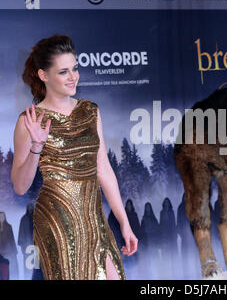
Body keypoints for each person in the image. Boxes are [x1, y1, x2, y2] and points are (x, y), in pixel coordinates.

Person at [11, 35, 137, 280]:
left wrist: (124, 222)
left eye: (75, 68)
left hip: (94, 218)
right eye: (64, 72)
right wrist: (37, 145)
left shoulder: (90, 111)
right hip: (57, 221)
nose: (73, 77)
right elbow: (20, 186)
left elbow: (104, 170)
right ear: (43, 75)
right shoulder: (30, 120)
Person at [18, 202, 35, 280]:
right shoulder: (24, 218)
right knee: (28, 266)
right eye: (30, 206)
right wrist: (22, 246)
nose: (31, 208)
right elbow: (21, 233)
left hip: (35, 246)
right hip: (27, 247)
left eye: (32, 206)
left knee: (36, 266)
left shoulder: (36, 218)